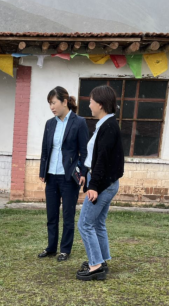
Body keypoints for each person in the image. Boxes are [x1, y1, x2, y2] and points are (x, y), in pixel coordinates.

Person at [76, 85, 124, 281]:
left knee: (85, 224)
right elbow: (97, 157)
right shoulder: (105, 124)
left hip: (102, 183)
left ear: (101, 104)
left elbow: (102, 159)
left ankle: (95, 265)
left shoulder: (108, 127)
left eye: (91, 101)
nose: (89, 105)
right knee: (97, 223)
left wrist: (94, 186)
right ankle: (101, 260)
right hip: (104, 181)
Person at [38, 86, 89, 261]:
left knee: (68, 216)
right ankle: (51, 248)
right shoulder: (50, 124)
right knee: (51, 215)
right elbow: (45, 149)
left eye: (54, 103)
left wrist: (83, 173)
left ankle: (65, 250)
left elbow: (84, 151)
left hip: (69, 177)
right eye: (49, 103)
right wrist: (43, 171)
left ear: (65, 102)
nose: (51, 107)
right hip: (51, 175)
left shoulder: (79, 122)